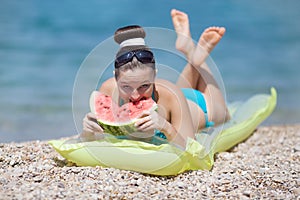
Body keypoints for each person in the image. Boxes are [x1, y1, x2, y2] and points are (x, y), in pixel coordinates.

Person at [81, 9, 230, 148]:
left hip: (197, 106)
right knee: (179, 90)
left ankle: (196, 56)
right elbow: (97, 140)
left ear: (155, 76)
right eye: (126, 87)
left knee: (225, 114)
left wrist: (165, 126)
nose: (135, 96)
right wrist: (88, 132)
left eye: (144, 86)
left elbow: (192, 150)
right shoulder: (107, 90)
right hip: (178, 98)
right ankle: (193, 57)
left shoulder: (171, 94)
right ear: (115, 78)